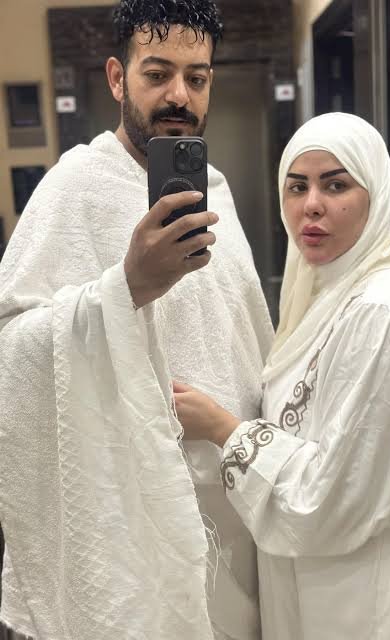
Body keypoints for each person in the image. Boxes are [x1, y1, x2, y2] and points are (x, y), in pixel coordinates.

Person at [0, 2, 273, 639]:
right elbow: (11, 349)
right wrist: (125, 288)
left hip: (232, 502)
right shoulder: (74, 187)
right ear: (118, 78)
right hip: (130, 513)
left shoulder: (217, 191)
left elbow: (247, 335)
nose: (179, 95)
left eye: (196, 77)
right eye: (158, 73)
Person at [174, 112, 390, 640]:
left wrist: (224, 429)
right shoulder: (330, 295)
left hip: (379, 606)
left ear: (376, 195)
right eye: (297, 187)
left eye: (335, 185)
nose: (311, 205)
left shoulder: (383, 317)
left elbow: (331, 497)